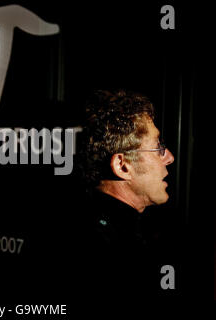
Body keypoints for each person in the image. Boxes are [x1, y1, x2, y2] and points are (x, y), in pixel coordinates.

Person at [73, 89, 178, 297]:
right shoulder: (108, 251)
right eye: (158, 147)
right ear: (122, 165)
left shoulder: (136, 234)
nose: (170, 158)